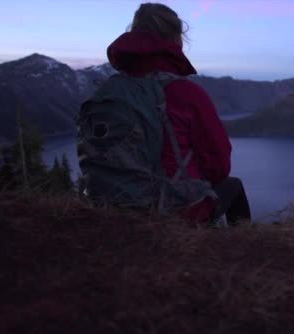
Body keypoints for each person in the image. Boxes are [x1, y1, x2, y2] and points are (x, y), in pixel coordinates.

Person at [106, 2, 251, 226]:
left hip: (116, 205)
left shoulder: (110, 91)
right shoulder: (185, 93)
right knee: (233, 185)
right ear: (176, 39)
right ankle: (240, 247)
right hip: (176, 210)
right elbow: (219, 166)